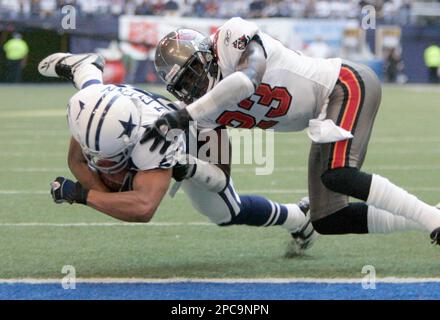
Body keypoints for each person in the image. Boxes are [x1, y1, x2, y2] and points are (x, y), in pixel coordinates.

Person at [142, 17, 440, 247]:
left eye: (193, 72)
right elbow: (220, 179)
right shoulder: (202, 110)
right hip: (321, 117)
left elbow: (246, 81)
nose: (193, 87)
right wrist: (188, 166)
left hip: (344, 85)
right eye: (184, 85)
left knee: (338, 174)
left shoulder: (230, 38)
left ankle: (433, 219)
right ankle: (431, 213)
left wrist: (186, 114)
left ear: (206, 54)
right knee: (328, 218)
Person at [37, 52, 316, 255]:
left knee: (224, 209)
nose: (102, 163)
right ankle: (85, 67)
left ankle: (297, 216)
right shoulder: (87, 107)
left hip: (200, 126)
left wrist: (82, 195)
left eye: (108, 158)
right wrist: (103, 195)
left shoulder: (152, 143)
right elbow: (77, 161)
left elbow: (143, 208)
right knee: (117, 183)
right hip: (154, 118)